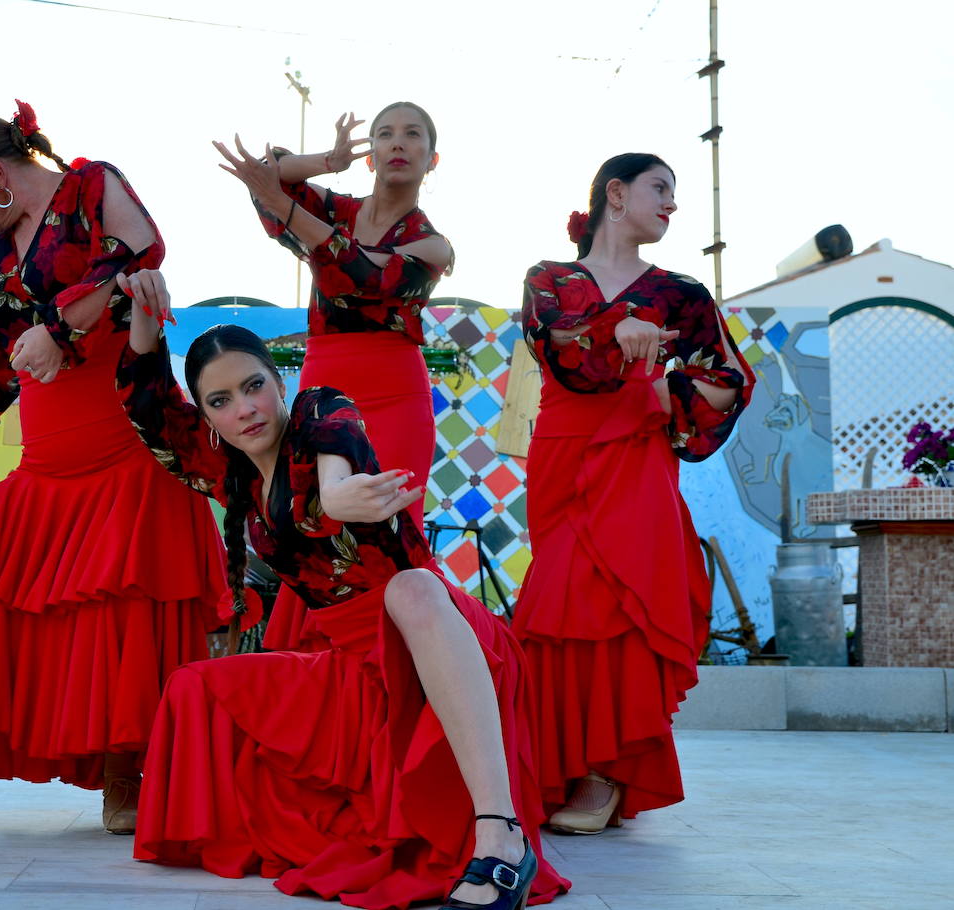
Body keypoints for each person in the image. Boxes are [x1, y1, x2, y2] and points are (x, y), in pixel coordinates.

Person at [115, 285, 569, 909]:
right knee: (195, 686)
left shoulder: (318, 410)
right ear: (208, 416)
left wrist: (336, 497)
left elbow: (337, 455)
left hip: (432, 636)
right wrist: (143, 311)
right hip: (355, 662)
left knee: (410, 587)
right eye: (220, 401)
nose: (244, 408)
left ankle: (501, 833)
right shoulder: (230, 472)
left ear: (279, 382)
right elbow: (148, 403)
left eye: (253, 386)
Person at [0, 100, 225, 838]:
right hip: (50, 460)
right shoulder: (7, 240)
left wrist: (62, 332)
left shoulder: (92, 186)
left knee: (123, 612)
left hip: (126, 445)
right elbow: (6, 332)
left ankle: (128, 783)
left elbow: (142, 248)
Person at [513, 153, 754, 835]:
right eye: (661, 189)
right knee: (555, 607)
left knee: (615, 604)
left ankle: (604, 769)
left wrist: (658, 393)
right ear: (614, 194)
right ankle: (553, 764)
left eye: (674, 194)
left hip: (637, 459)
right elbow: (556, 346)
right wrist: (613, 332)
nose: (672, 204)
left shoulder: (681, 293)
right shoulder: (550, 278)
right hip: (562, 455)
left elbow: (729, 378)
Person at [214, 101, 452, 652]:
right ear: (370, 158)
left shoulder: (433, 245)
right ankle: (319, 692)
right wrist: (327, 160)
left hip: (395, 395)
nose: (397, 142)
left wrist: (284, 205)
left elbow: (359, 273)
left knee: (383, 529)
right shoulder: (335, 208)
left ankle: (395, 680)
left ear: (431, 159)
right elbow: (269, 170)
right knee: (315, 525)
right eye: (384, 134)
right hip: (326, 388)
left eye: (412, 134)